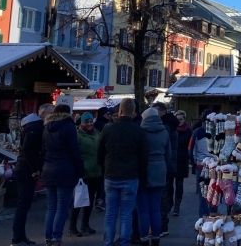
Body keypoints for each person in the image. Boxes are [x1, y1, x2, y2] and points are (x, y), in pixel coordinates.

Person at [99, 98, 146, 246]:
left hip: (111, 174)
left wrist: (104, 168)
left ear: (119, 111)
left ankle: (108, 241)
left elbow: (100, 152)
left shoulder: (108, 129)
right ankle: (124, 242)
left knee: (110, 212)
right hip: (130, 176)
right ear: (133, 112)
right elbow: (143, 156)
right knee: (126, 214)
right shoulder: (138, 130)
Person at [41, 103, 84, 246]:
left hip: (49, 168)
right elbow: (74, 151)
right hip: (65, 170)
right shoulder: (69, 126)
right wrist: (80, 170)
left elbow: (43, 150)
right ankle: (56, 237)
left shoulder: (47, 127)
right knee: (62, 207)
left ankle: (48, 237)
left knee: (51, 207)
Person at [11, 103, 54, 246]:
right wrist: (35, 169)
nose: (53, 115)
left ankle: (20, 236)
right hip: (26, 170)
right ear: (44, 113)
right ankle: (17, 238)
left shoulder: (32, 126)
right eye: (51, 112)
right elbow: (28, 150)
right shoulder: (36, 128)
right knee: (23, 205)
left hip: (25, 168)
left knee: (24, 205)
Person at [138, 107, 172, 246]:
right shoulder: (164, 131)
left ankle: (144, 238)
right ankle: (156, 237)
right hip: (160, 169)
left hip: (144, 170)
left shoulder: (141, 132)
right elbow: (168, 154)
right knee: (156, 208)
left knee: (143, 209)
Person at [69, 112, 100, 237]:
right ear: (81, 123)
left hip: (95, 171)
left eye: (91, 121)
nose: (89, 123)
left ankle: (85, 224)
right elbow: (75, 153)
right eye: (87, 121)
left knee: (90, 200)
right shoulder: (77, 136)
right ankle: (72, 227)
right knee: (78, 200)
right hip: (83, 172)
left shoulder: (97, 133)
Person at [152, 102, 177, 237]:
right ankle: (162, 225)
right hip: (167, 165)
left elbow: (169, 149)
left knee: (162, 197)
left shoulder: (165, 127)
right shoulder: (170, 125)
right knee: (164, 195)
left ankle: (162, 226)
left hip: (164, 165)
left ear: (163, 112)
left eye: (156, 111)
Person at [190, 109, 214, 218]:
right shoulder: (217, 130)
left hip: (200, 165)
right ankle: (213, 217)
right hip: (214, 165)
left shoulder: (197, 131)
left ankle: (203, 219)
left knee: (203, 194)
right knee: (214, 193)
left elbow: (190, 149)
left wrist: (194, 163)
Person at [172, 110, 191, 216]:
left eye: (181, 119)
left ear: (184, 119)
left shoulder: (188, 131)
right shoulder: (171, 130)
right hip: (172, 160)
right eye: (177, 119)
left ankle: (177, 206)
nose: (179, 121)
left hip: (182, 160)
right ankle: (169, 203)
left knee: (179, 185)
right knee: (169, 184)